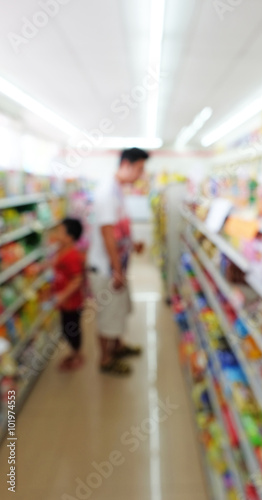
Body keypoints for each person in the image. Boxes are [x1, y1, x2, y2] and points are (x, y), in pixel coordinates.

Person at [87, 147, 149, 375]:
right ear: (126, 165)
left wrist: (132, 245)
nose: (141, 175)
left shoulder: (118, 191)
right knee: (108, 316)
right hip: (106, 270)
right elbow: (107, 234)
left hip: (116, 266)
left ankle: (119, 347)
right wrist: (116, 270)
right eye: (140, 169)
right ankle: (105, 360)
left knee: (119, 311)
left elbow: (119, 230)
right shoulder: (106, 192)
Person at [53, 218, 85, 371]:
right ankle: (74, 352)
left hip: (73, 303)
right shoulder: (62, 250)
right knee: (66, 329)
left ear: (69, 237)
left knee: (72, 330)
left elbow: (77, 280)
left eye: (60, 231)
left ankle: (77, 355)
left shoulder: (72, 255)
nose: (56, 234)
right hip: (65, 303)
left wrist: (63, 295)